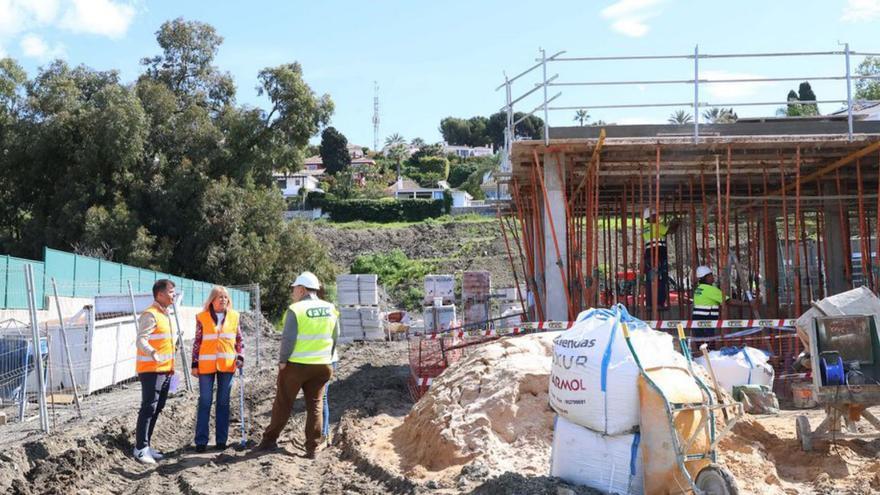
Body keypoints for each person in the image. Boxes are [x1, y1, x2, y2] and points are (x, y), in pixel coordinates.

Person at [254, 271, 339, 459]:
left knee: (283, 402)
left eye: (294, 289)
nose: (293, 292)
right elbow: (335, 336)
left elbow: (288, 339)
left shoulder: (296, 309)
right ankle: (312, 447)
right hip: (323, 365)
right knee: (316, 406)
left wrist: (282, 361)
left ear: (301, 289)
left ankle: (269, 440)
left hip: (297, 366)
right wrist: (327, 356)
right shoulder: (330, 308)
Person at [191, 286, 244, 453]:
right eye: (220, 297)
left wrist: (240, 356)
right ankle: (201, 441)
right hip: (206, 366)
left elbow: (239, 340)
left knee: (223, 402)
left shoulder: (235, 317)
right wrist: (194, 363)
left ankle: (222, 440)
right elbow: (197, 341)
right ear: (212, 300)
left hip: (227, 365)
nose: (223, 300)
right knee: (205, 401)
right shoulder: (202, 317)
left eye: (225, 297)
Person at [133, 279, 177, 464]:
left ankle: (146, 445)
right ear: (160, 294)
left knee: (157, 408)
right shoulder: (150, 314)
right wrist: (152, 352)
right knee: (149, 407)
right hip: (151, 370)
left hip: (165, 370)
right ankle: (140, 449)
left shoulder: (165, 314)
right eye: (171, 292)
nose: (174, 295)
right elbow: (141, 340)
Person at [642, 207, 676, 310]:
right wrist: (675, 224)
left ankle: (649, 304)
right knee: (661, 278)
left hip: (648, 254)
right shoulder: (656, 226)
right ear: (650, 217)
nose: (657, 217)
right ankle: (659, 303)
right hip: (658, 253)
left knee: (650, 279)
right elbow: (669, 231)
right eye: (655, 216)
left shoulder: (645, 227)